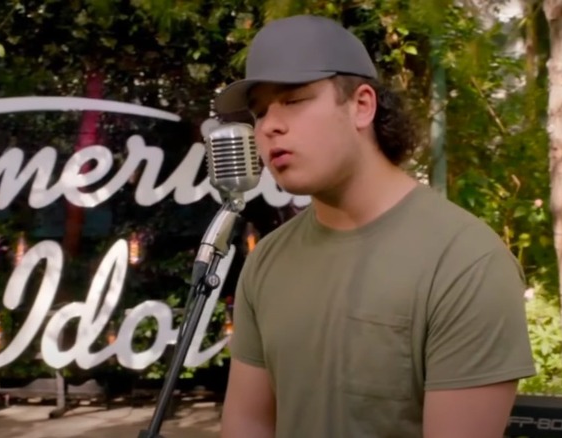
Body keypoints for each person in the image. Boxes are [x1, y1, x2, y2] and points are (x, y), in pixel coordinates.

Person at [213, 14, 536, 438]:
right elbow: (249, 424)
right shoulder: (267, 261)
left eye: (293, 100)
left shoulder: (465, 263)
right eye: (260, 112)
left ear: (362, 105)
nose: (270, 125)